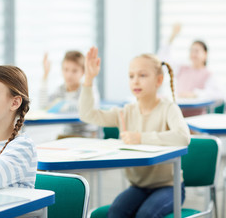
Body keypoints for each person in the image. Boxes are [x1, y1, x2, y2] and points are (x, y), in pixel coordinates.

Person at [79, 47, 190, 218]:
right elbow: (87, 114)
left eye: (142, 75)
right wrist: (89, 78)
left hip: (169, 186)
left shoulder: (169, 108)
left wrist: (141, 138)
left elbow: (183, 137)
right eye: (131, 76)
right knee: (116, 212)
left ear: (159, 80)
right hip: (138, 187)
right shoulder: (125, 112)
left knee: (145, 214)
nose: (135, 81)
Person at [158, 23, 223, 116]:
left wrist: (195, 94)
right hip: (177, 114)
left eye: (197, 51)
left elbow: (219, 96)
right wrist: (172, 36)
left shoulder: (208, 75)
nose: (193, 54)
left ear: (205, 54)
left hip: (197, 118)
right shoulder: (181, 69)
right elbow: (162, 60)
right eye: (191, 50)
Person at [39, 51, 99, 138]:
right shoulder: (61, 90)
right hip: (67, 135)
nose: (69, 75)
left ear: (83, 72)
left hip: (87, 136)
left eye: (74, 71)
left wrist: (60, 105)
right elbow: (44, 106)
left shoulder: (88, 89)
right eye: (66, 69)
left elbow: (84, 110)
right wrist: (45, 75)